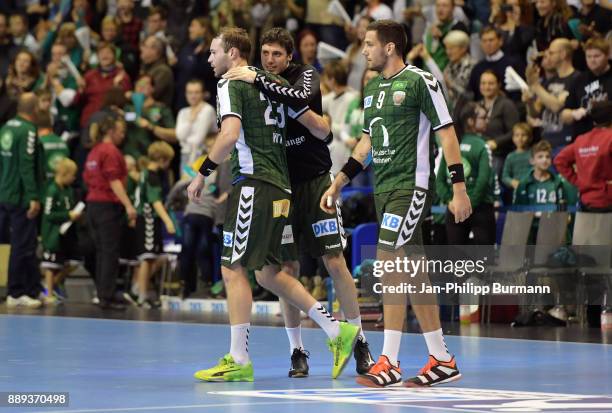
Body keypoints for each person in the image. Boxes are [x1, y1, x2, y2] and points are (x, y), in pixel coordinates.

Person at [186, 27, 360, 382]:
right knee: (268, 272)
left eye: (214, 52)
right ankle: (334, 330)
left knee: (232, 267)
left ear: (233, 54)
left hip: (255, 184)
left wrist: (202, 172)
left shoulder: (230, 84)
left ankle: (238, 358)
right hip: (281, 187)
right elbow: (319, 127)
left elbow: (230, 135)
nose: (209, 59)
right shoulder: (270, 83)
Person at [321, 20, 472, 388]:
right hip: (384, 189)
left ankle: (388, 359)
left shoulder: (421, 81)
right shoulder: (372, 90)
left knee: (389, 262)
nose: (365, 51)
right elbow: (366, 144)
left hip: (412, 186)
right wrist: (340, 182)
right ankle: (441, 357)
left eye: (370, 44)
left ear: (390, 47)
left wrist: (459, 188)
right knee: (415, 272)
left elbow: (447, 132)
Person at [83, 116, 137, 310]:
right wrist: (129, 205)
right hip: (107, 206)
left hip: (92, 205)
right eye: (121, 131)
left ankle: (103, 292)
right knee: (109, 253)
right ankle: (107, 296)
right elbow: (114, 181)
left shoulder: (94, 151)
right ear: (111, 132)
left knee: (102, 252)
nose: (123, 135)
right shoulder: (111, 151)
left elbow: (88, 179)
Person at [0, 93, 43, 308]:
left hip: (4, 192)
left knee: (22, 242)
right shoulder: (28, 130)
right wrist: (33, 196)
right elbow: (27, 165)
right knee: (22, 244)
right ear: (35, 108)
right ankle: (16, 292)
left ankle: (32, 288)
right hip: (20, 196)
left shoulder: (6, 127)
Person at [437, 102, 496, 245]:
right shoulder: (483, 146)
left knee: (458, 263)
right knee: (484, 262)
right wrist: (470, 204)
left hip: (454, 208)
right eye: (483, 117)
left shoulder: (452, 144)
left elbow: (439, 181)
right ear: (470, 121)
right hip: (480, 209)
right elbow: (483, 182)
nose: (487, 120)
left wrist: (450, 201)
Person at [131, 141, 176, 308]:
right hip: (148, 218)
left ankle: (139, 288)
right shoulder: (152, 175)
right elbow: (155, 201)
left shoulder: (144, 173)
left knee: (152, 257)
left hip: (147, 218)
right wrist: (168, 220)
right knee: (147, 257)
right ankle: (142, 295)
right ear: (162, 159)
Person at [554, 101, 612, 212]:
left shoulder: (581, 140)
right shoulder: (610, 138)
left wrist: (580, 181)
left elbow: (559, 160)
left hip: (586, 202)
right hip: (608, 201)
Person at [524, 38, 581, 150]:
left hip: (567, 142)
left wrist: (535, 86)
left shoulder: (577, 79)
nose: (547, 56)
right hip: (547, 142)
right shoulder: (549, 81)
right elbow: (535, 113)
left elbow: (557, 106)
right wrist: (529, 102)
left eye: (551, 53)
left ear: (563, 54)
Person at [40, 158, 82, 305]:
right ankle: (48, 294)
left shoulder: (68, 190)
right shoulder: (52, 190)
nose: (74, 178)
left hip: (67, 234)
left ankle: (53, 285)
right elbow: (48, 214)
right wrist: (67, 215)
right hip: (53, 234)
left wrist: (74, 215)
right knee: (51, 265)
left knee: (74, 261)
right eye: (72, 175)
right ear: (64, 174)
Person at [561, 38, 612, 139]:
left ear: (607, 55)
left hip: (608, 137)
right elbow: (564, 114)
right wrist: (574, 113)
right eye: (588, 56)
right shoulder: (579, 80)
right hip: (583, 138)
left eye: (597, 56)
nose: (592, 60)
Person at [477, 70, 520, 175]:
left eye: (491, 83)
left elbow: (515, 132)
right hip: (479, 153)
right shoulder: (477, 105)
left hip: (499, 154)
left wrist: (496, 142)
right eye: (483, 83)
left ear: (499, 85)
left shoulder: (506, 105)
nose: (486, 87)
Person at [175, 79, 217, 172]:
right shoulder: (183, 112)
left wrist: (186, 139)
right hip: (185, 155)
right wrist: (191, 119)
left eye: (196, 92)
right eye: (190, 92)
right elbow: (179, 136)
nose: (193, 96)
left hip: (203, 156)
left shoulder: (207, 110)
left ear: (203, 94)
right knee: (185, 185)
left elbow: (198, 139)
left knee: (201, 186)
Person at [140, 35, 175, 107]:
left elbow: (150, 94)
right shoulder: (146, 67)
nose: (142, 48)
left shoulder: (163, 71)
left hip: (157, 113)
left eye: (145, 46)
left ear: (155, 51)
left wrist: (132, 95)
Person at [501, 122, 533, 192]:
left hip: (531, 188)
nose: (520, 138)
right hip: (516, 190)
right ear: (513, 138)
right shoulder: (510, 157)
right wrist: (512, 182)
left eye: (523, 135)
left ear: (530, 137)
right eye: (517, 135)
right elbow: (505, 176)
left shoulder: (533, 154)